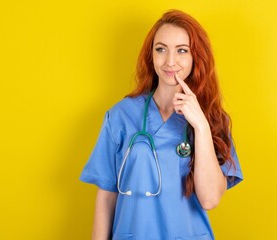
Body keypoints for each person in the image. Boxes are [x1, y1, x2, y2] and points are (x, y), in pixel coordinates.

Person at [80, 9, 243, 240]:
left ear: (196, 56)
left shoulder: (213, 120)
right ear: (151, 55)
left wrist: (201, 127)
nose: (170, 61)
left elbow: (209, 199)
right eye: (161, 49)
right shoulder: (121, 116)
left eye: (182, 50)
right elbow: (106, 197)